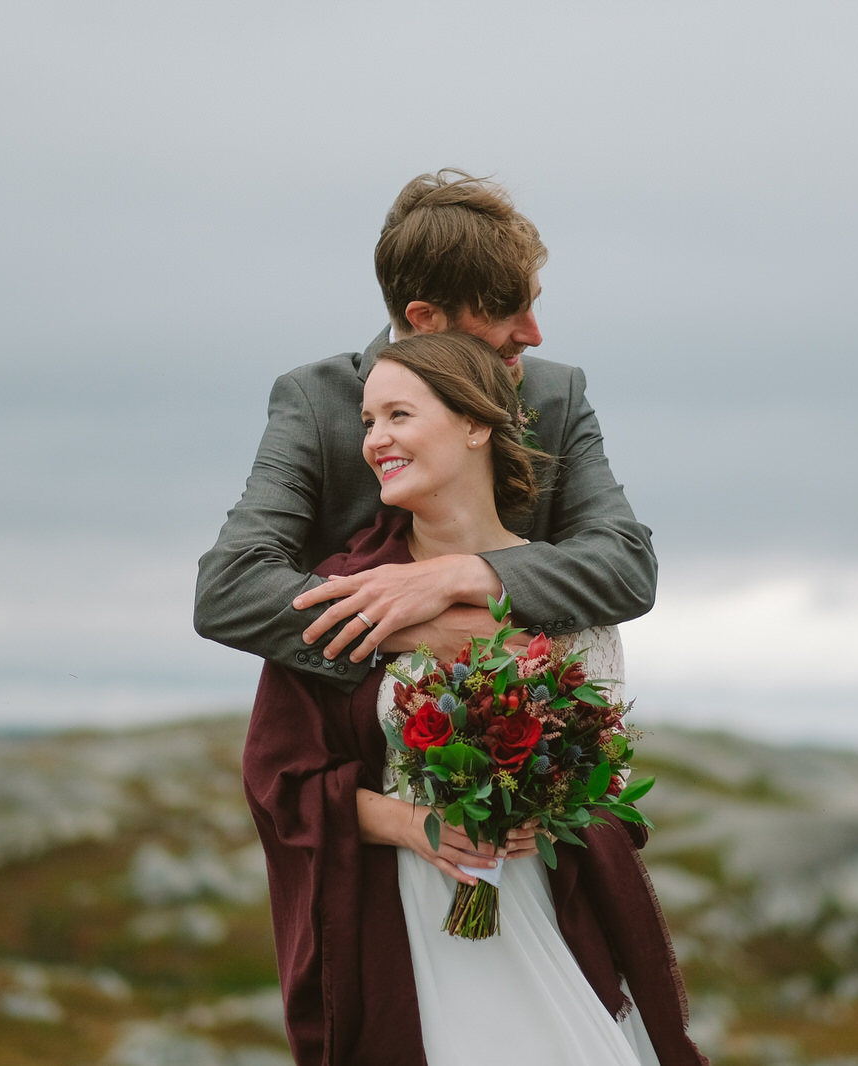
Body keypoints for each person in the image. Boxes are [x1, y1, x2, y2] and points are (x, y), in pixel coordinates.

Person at [241, 332, 704, 1066]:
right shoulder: (344, 590)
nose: (374, 441)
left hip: (553, 913)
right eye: (367, 422)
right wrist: (413, 824)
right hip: (414, 930)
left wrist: (546, 808)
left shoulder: (571, 591)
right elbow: (278, 781)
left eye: (398, 415)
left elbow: (608, 790)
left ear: (475, 423)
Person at [193, 169, 657, 690]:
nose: (534, 334)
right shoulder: (315, 401)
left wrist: (458, 576)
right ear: (424, 318)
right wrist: (417, 628)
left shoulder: (556, 394)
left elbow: (626, 563)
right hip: (348, 748)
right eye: (507, 312)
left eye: (534, 301)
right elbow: (229, 589)